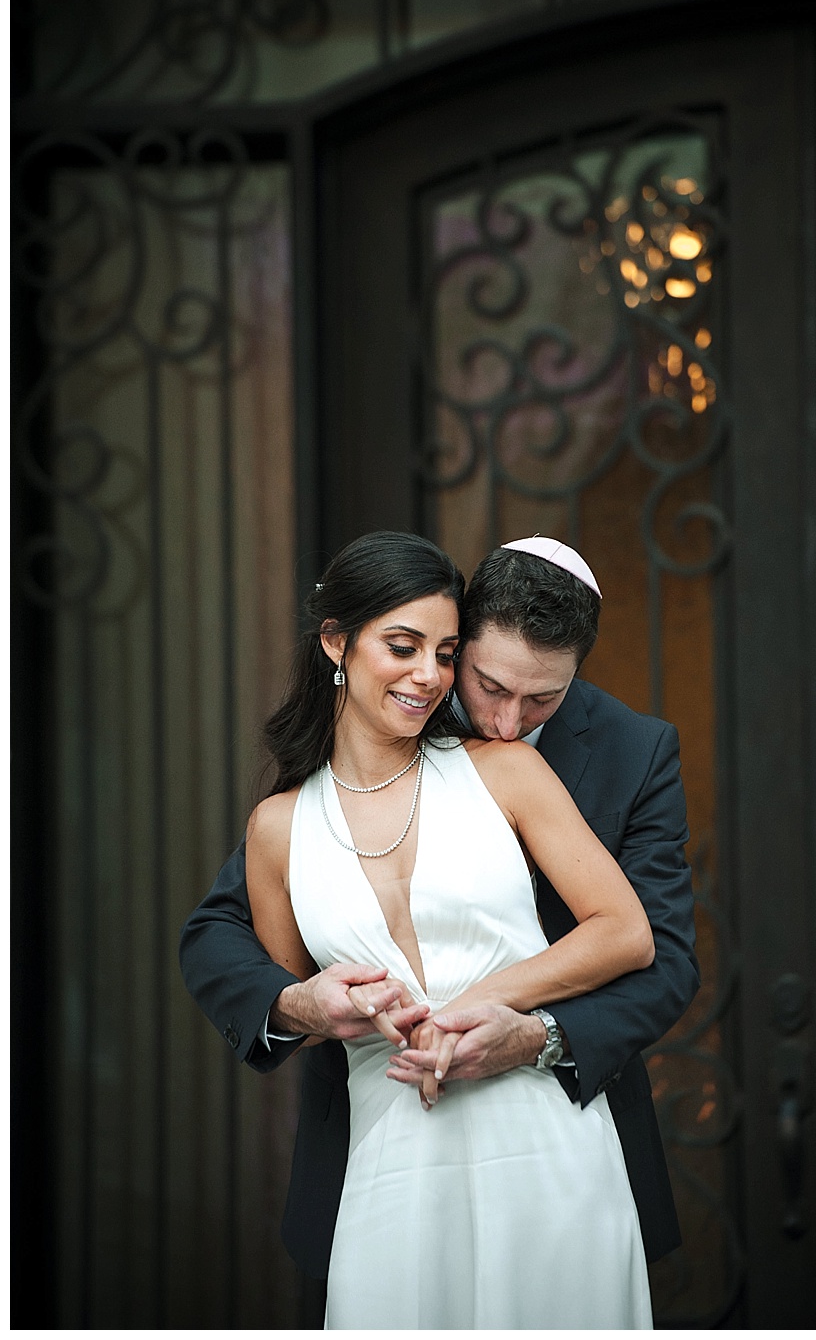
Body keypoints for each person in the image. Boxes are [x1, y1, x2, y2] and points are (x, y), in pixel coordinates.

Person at [180, 533, 698, 1317]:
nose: (505, 718)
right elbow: (229, 934)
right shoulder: (301, 808)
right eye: (485, 682)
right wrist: (300, 1004)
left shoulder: (631, 751)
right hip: (385, 1145)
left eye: (542, 700)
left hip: (552, 1122)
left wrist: (531, 1030)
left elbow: (657, 953)